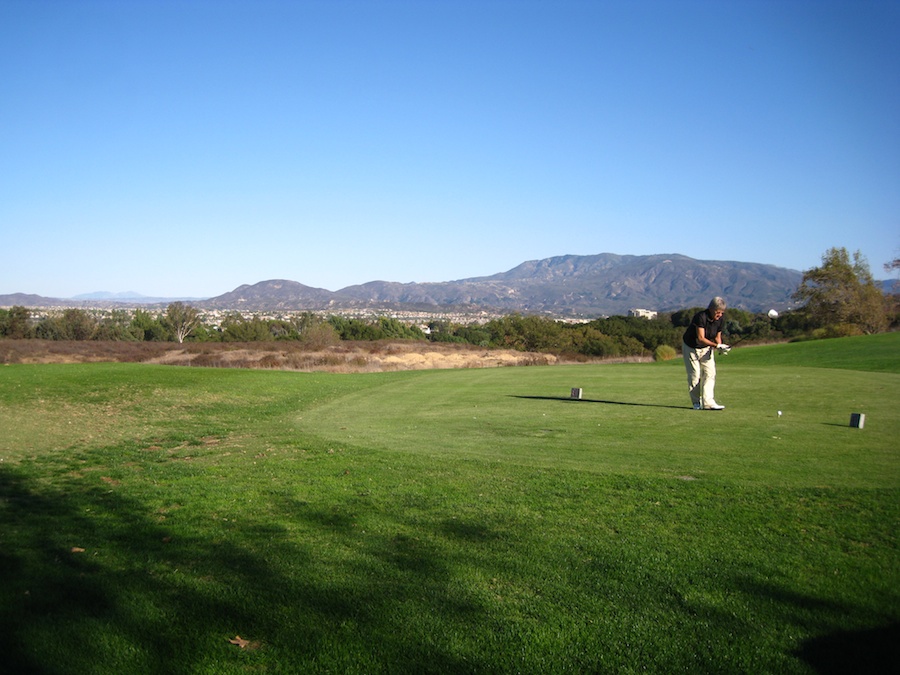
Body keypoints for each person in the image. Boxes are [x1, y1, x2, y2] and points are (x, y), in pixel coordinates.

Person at [682, 297, 729, 410]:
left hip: (706, 348)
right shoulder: (700, 317)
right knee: (695, 375)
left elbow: (718, 337)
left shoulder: (720, 320)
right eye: (718, 312)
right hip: (691, 347)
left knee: (710, 373)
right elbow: (701, 338)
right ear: (711, 309)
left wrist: (721, 347)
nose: (720, 315)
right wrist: (716, 346)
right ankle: (696, 403)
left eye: (722, 313)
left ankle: (708, 402)